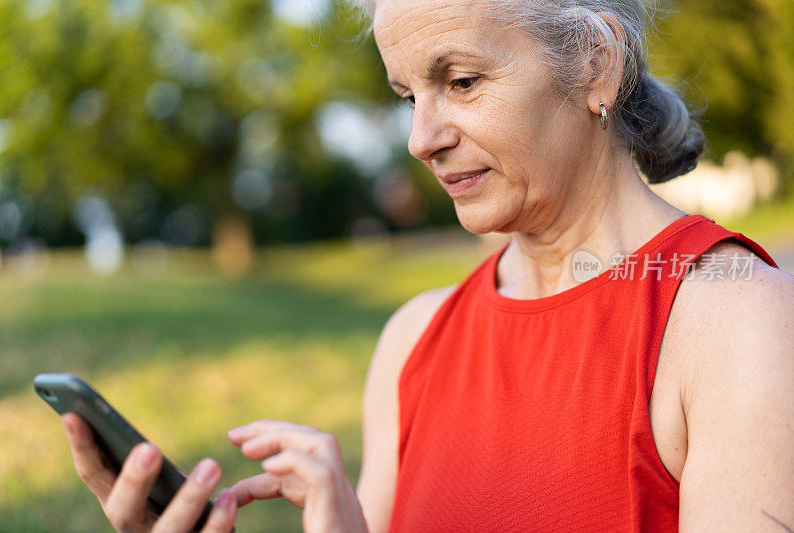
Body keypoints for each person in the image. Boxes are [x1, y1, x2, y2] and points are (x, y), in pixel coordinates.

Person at [61, 0, 794, 531]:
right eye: (409, 94)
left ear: (596, 65)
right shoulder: (413, 340)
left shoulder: (734, 321)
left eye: (462, 82)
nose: (420, 137)